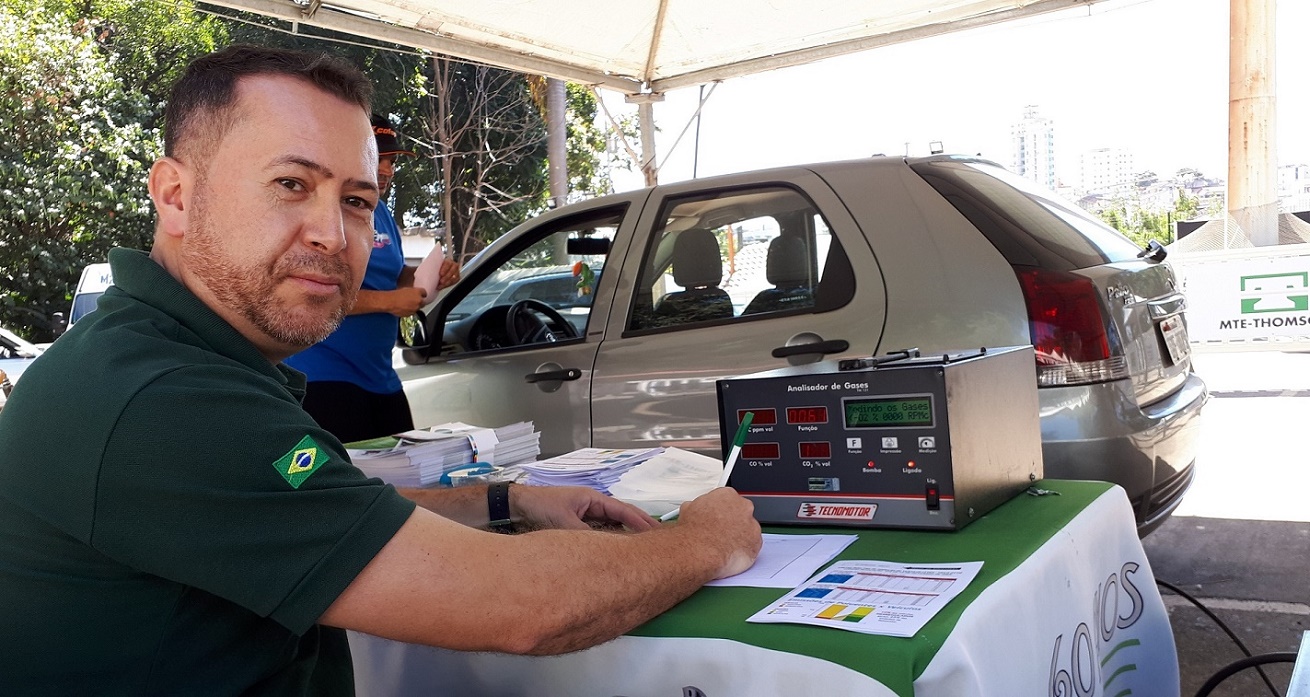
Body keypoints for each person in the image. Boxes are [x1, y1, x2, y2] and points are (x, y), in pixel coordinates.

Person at [0, 45, 761, 696]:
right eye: (291, 184)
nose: (333, 233)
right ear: (176, 194)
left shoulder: (171, 356)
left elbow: (327, 504)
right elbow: (523, 607)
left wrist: (505, 499)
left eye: (358, 199)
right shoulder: (166, 399)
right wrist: (701, 538)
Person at [284, 113, 459, 443]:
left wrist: (429, 275)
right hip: (326, 376)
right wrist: (389, 303)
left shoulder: (380, 212)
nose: (387, 170)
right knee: (342, 486)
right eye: (378, 158)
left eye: (392, 161)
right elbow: (314, 289)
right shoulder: (327, 212)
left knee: (405, 475)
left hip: (381, 377)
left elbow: (393, 276)